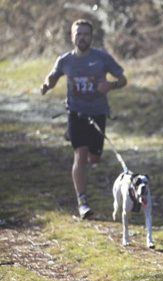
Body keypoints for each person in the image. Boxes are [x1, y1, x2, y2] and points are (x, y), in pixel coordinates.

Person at [40, 19, 127, 219]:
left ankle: (84, 150)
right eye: (78, 34)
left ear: (91, 37)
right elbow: (52, 77)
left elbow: (123, 79)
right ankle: (82, 202)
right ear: (72, 37)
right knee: (80, 153)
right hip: (76, 113)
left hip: (98, 113)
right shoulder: (65, 60)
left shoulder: (102, 58)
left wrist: (111, 86)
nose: (82, 37)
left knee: (94, 157)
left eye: (86, 34)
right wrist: (47, 85)